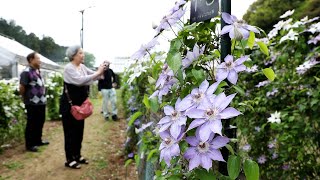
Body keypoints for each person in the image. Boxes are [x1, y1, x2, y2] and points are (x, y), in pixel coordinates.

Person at [59, 45, 106, 169]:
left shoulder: (82, 67)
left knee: (79, 131)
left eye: (82, 53)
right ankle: (69, 159)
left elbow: (97, 76)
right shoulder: (69, 68)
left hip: (80, 106)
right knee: (69, 133)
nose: (82, 55)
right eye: (80, 53)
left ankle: (77, 155)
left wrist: (102, 69)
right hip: (69, 106)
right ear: (73, 55)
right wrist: (98, 72)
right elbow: (80, 80)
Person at [19, 52, 49, 152]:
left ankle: (38, 140)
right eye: (38, 58)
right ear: (31, 60)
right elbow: (22, 87)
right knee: (32, 123)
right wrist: (25, 98)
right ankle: (30, 144)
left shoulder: (37, 71)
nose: (40, 60)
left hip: (41, 102)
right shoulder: (26, 72)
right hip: (32, 103)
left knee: (40, 121)